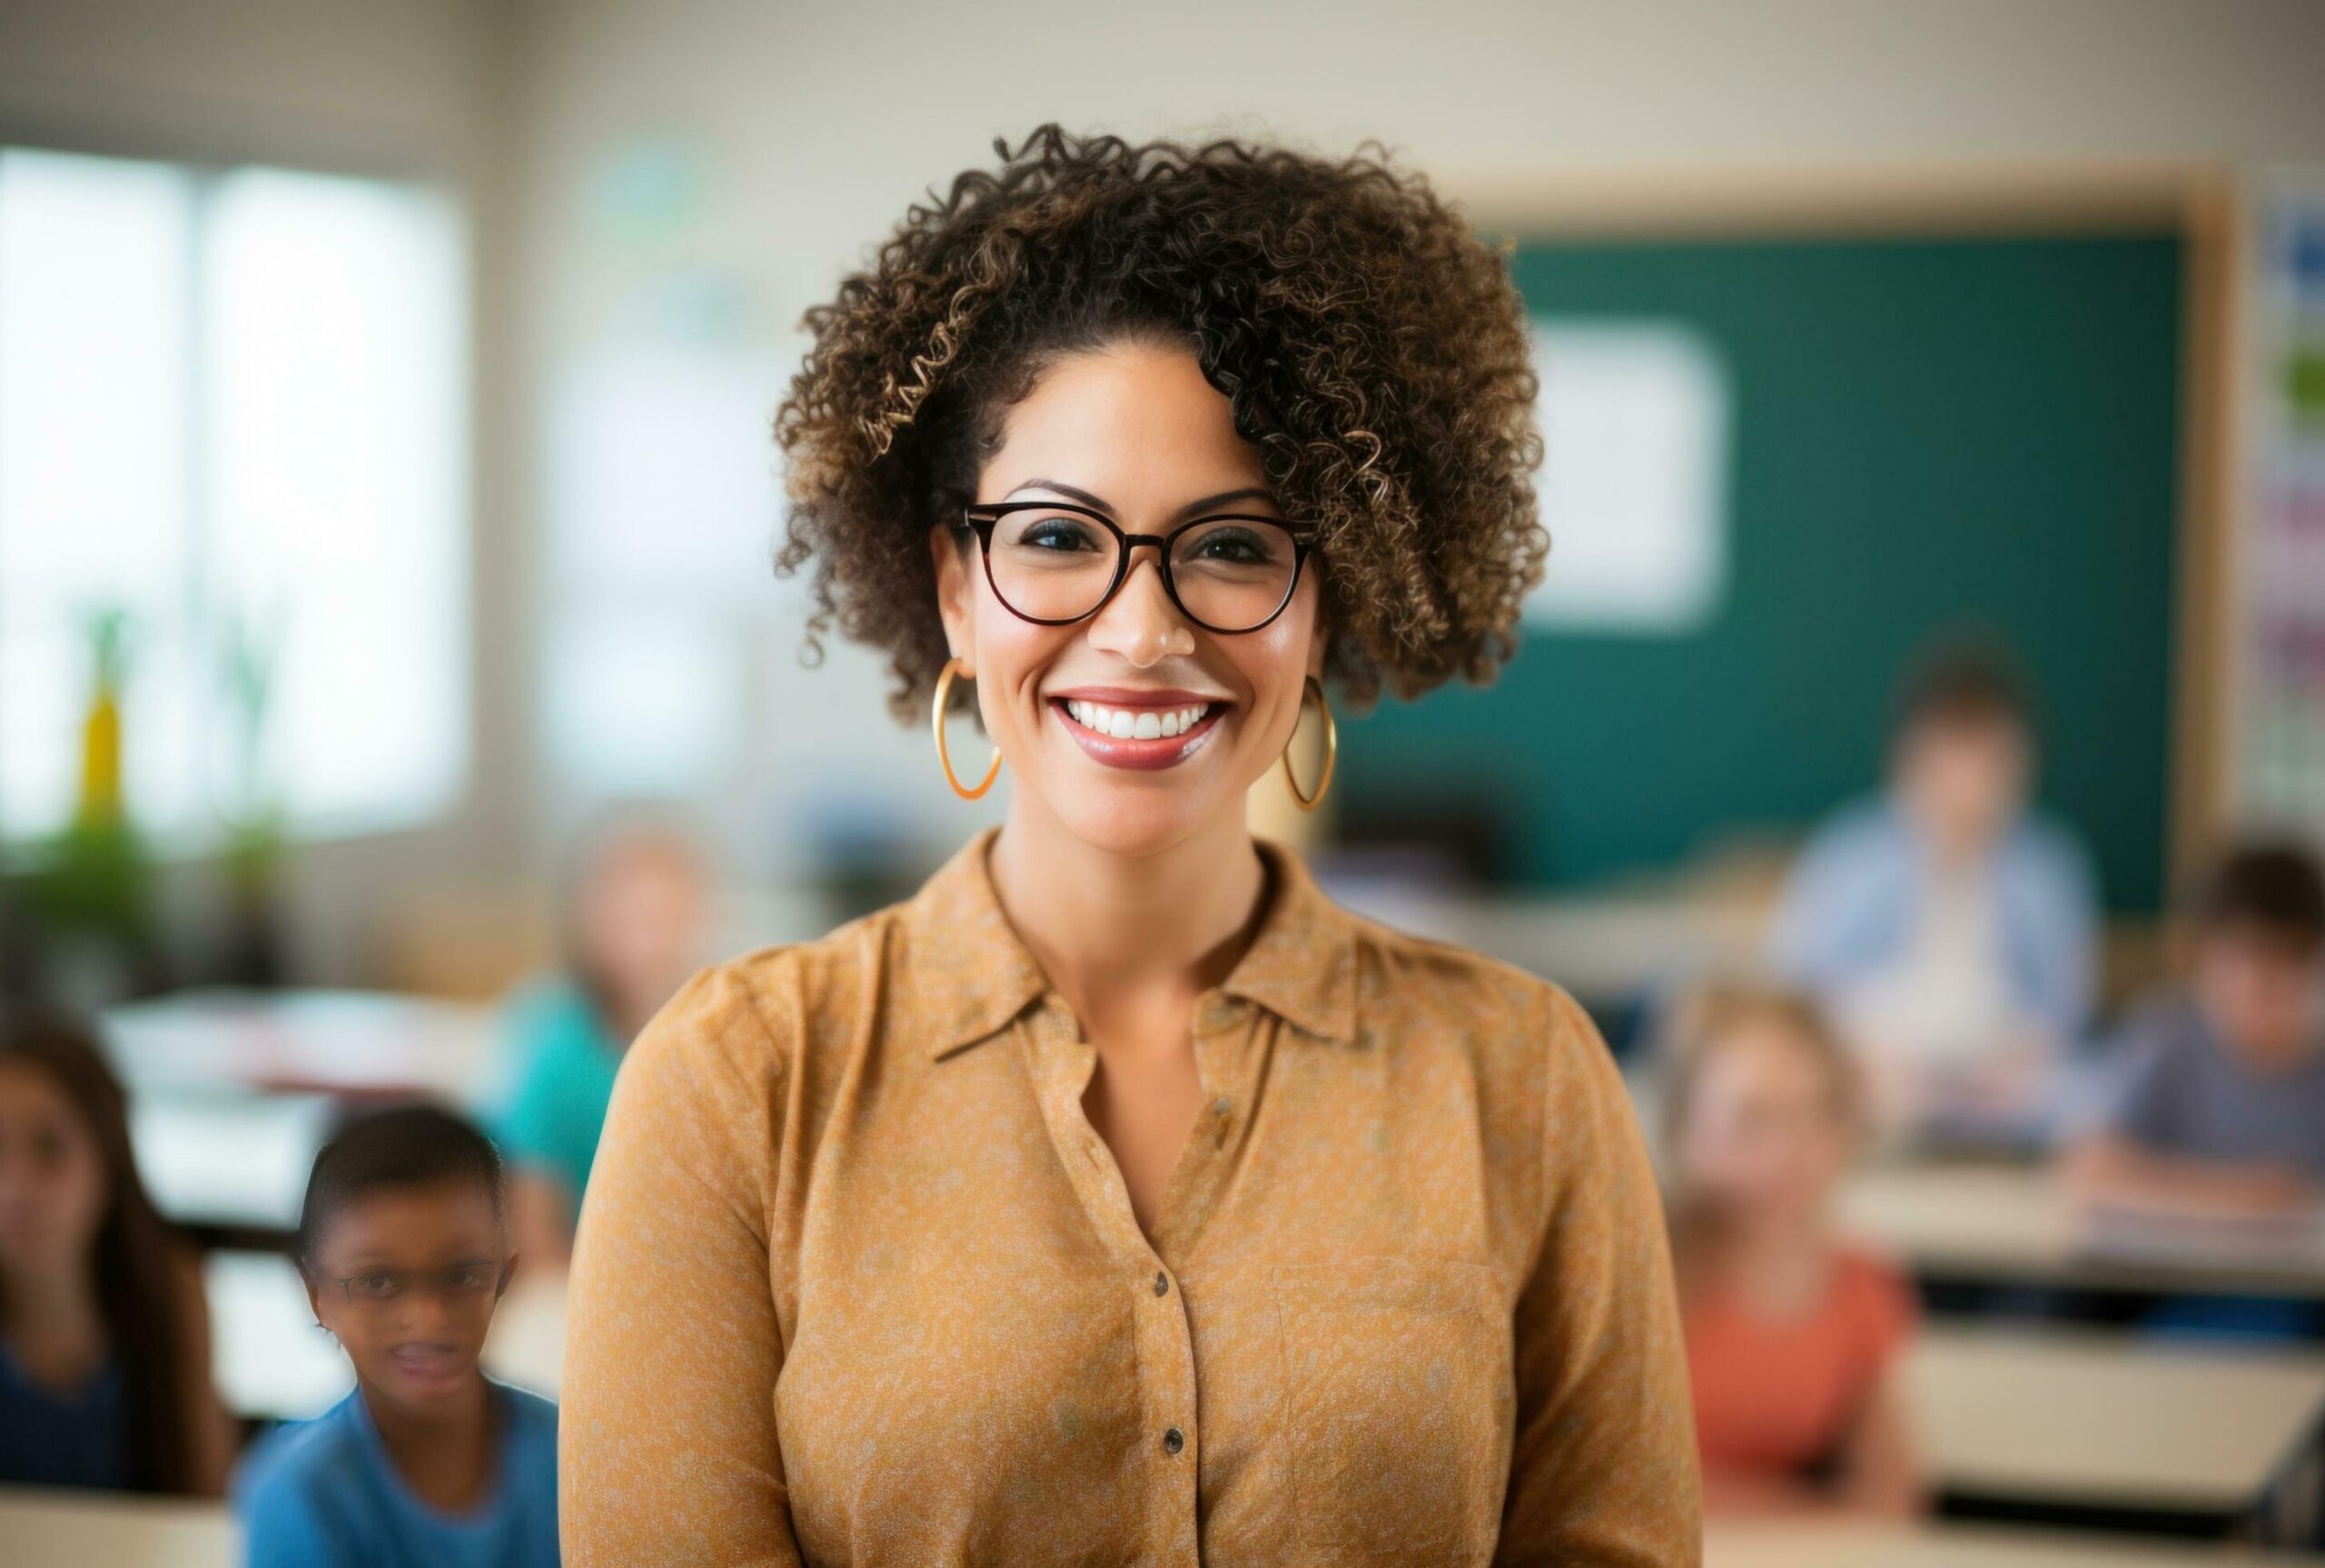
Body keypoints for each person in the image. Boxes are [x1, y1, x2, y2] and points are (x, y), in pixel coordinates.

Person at [560, 124, 1699, 1565]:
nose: (1144, 629)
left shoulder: (1525, 1081)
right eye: (1053, 538)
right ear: (955, 589)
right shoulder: (735, 1086)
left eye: (1232, 545)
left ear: (1325, 601)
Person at [1767, 640, 2099, 1140]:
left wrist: (2021, 1061)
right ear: (1912, 758)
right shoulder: (1851, 854)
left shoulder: (2049, 866)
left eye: (1990, 759)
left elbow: (2066, 1007)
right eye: (1954, 754)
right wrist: (1861, 1061)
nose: (1969, 780)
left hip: (2003, 1085)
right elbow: (1796, 984)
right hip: (1874, 1077)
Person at [235, 1104, 559, 1567]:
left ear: (503, 1279)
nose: (428, 1319)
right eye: (379, 1282)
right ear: (317, 1294)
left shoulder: (573, 1459)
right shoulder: (299, 1495)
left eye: (461, 1276)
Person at [1659, 981, 1923, 1518]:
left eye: (1816, 1115)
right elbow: (1625, 1492)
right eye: (1751, 1120)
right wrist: (1811, 1515)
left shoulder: (1858, 1285)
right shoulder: (1639, 1280)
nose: (1788, 1153)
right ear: (1684, 1134)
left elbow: (1891, 1498)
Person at [0, 1008, 234, 1496]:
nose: (15, 1189)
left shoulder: (171, 1286)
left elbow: (208, 1500)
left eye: (50, 1148)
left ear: (109, 1158)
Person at [2062, 841, 2325, 1220]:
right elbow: (2086, 1170)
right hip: (2164, 1276)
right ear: (2205, 957)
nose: (2261, 987)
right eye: (2246, 960)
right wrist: (2240, 1198)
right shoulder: (2167, 1040)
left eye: (2285, 966)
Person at [490, 816, 709, 1267]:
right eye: (635, 922)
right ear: (591, 924)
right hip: (574, 1281)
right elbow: (533, 1226)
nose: (654, 944)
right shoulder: (552, 1043)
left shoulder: (711, 1034)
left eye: (666, 919)